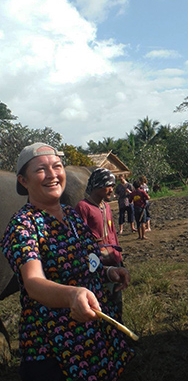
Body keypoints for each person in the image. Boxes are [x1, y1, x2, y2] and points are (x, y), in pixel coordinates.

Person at [1, 143, 134, 381]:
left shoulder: (71, 215)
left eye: (57, 166)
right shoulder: (23, 225)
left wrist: (108, 272)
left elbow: (85, 262)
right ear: (23, 181)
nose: (52, 174)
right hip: (54, 344)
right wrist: (72, 295)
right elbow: (33, 282)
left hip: (93, 335)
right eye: (41, 169)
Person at [75, 168, 126, 317]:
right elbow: (79, 239)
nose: (112, 189)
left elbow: (112, 233)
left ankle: (118, 328)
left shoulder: (106, 207)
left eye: (113, 186)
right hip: (97, 264)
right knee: (100, 303)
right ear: (98, 185)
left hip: (113, 260)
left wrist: (119, 260)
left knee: (116, 301)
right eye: (109, 185)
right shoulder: (83, 207)